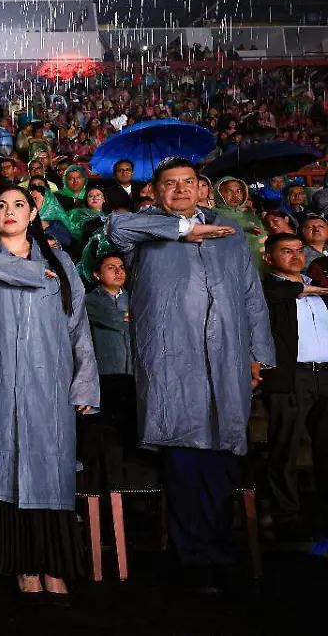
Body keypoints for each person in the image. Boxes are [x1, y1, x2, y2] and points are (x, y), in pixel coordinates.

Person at [106, 156, 274, 593]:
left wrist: (258, 355)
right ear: (156, 192)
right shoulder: (143, 229)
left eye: (188, 183)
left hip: (226, 360)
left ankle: (219, 552)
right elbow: (115, 229)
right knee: (183, 462)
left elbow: (252, 297)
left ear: (203, 189)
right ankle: (193, 559)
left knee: (221, 460)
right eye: (170, 184)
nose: (180, 190)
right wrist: (184, 231)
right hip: (172, 364)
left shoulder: (231, 235)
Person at [0, 186, 99, 596]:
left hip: (48, 388)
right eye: (1, 206)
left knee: (49, 474)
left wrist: (85, 383)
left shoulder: (61, 263)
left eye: (19, 205)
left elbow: (78, 328)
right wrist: (28, 271)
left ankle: (55, 564)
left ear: (34, 213)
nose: (9, 212)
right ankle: (22, 565)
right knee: (7, 474)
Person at [260, 234, 328, 541]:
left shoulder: (319, 287)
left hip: (324, 374)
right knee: (284, 449)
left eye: (300, 251)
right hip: (291, 377)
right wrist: (305, 288)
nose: (296, 256)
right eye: (286, 251)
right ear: (269, 257)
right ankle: (286, 516)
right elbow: (272, 292)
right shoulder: (268, 288)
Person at [80, 253, 136, 494]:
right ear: (96, 275)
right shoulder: (90, 300)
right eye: (111, 267)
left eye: (121, 267)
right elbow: (115, 319)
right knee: (106, 439)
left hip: (133, 376)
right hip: (105, 377)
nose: (118, 271)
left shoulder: (135, 298)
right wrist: (132, 319)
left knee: (130, 437)